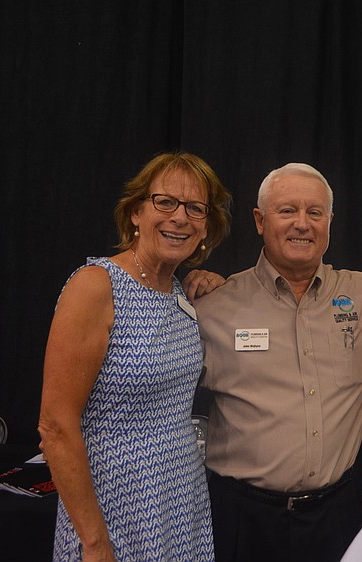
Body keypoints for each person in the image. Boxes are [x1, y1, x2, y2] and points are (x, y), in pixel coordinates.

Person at [192, 163, 362, 562]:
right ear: (260, 220)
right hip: (242, 518)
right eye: (287, 210)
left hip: (337, 516)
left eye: (315, 212)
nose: (302, 224)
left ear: (330, 221)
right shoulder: (212, 307)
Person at [38, 152, 231, 562]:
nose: (180, 217)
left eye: (195, 208)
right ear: (136, 213)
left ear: (205, 227)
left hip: (180, 506)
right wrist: (93, 541)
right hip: (113, 510)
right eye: (166, 202)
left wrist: (216, 282)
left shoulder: (180, 293)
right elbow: (55, 425)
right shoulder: (96, 286)